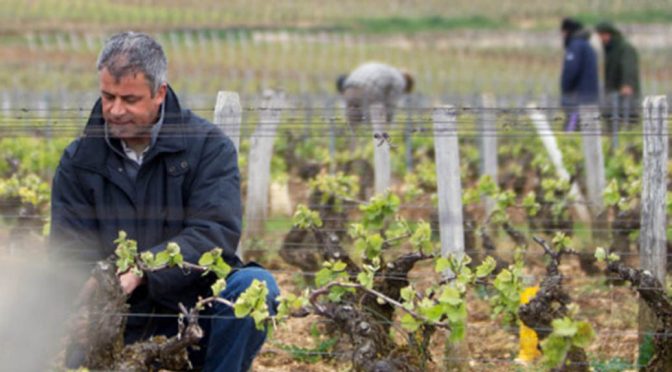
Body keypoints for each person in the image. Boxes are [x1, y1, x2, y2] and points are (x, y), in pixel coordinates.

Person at [50, 31, 279, 372]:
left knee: (255, 286)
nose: (114, 110)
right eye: (107, 96)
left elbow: (214, 232)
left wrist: (143, 269)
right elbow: (69, 250)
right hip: (119, 322)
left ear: (159, 93)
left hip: (196, 313)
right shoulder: (80, 160)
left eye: (129, 99)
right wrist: (82, 305)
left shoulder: (207, 148)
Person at [336, 62, 413, 126]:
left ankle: (351, 142)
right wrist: (389, 123)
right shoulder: (400, 80)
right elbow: (390, 105)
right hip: (368, 89)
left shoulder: (386, 69)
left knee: (353, 125)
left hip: (349, 87)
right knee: (375, 124)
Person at [595, 21, 641, 124]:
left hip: (624, 92)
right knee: (611, 119)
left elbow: (629, 67)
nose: (601, 38)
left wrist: (627, 84)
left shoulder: (624, 48)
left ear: (609, 34)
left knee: (628, 119)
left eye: (603, 35)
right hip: (613, 92)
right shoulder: (610, 49)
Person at [560, 18, 599, 131]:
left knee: (571, 127)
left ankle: (569, 139)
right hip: (588, 96)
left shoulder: (575, 46)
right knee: (586, 129)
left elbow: (571, 71)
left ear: (568, 31)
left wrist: (566, 90)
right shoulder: (586, 45)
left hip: (577, 97)